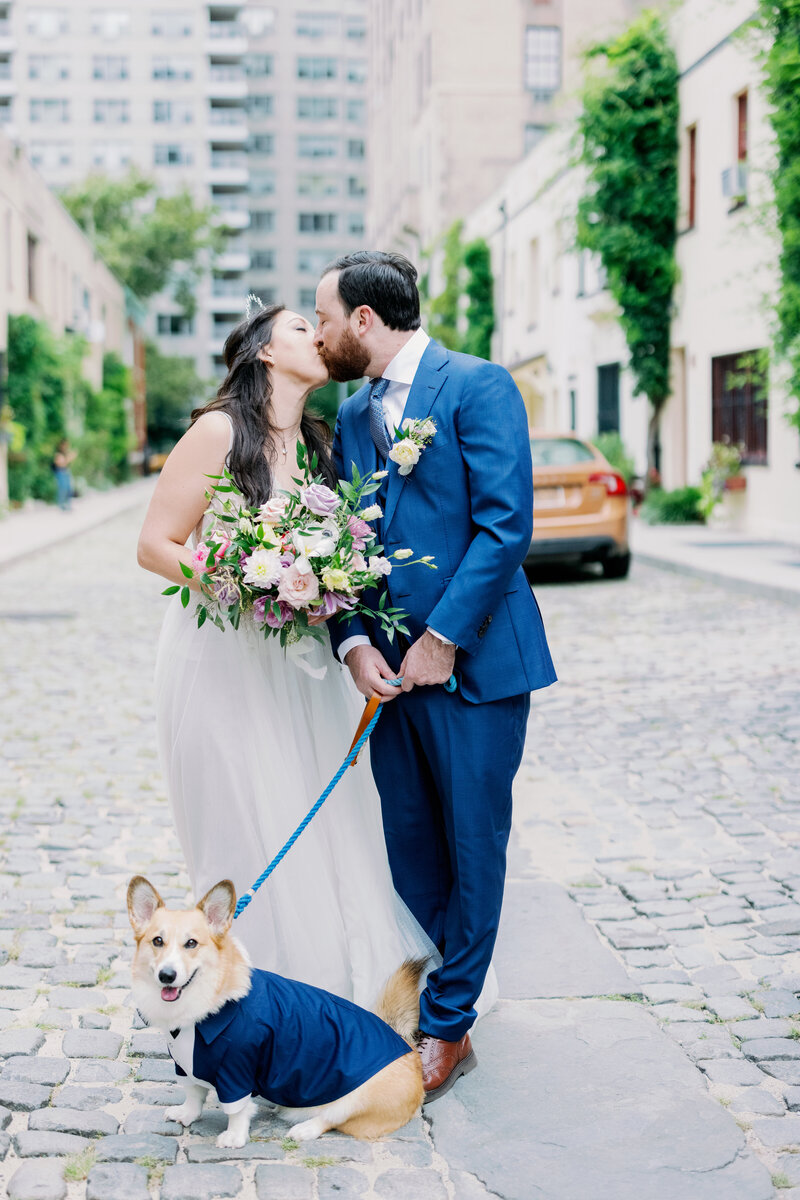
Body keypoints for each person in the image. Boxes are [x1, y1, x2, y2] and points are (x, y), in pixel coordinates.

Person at [136, 305, 434, 1009]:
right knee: (243, 815)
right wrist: (243, 576)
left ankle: (330, 995)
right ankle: (241, 999)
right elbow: (155, 544)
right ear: (266, 353)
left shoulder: (320, 444)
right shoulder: (218, 431)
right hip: (221, 660)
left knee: (322, 816)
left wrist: (311, 578)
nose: (319, 333)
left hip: (298, 663)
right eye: (302, 325)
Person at [314, 251, 557, 1101]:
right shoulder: (351, 413)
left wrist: (444, 639)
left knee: (471, 844)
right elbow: (339, 541)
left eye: (325, 318)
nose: (320, 334)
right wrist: (352, 642)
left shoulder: (479, 385)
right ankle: (452, 983)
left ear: (367, 321)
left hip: (475, 669)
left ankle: (449, 1021)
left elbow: (505, 527)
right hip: (390, 675)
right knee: (411, 851)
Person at [52, 438, 76, 511]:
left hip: (66, 471)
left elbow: (65, 462)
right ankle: (61, 505)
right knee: (62, 489)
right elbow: (60, 463)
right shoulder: (58, 453)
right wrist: (68, 458)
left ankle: (68, 505)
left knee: (69, 489)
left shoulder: (65, 453)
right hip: (60, 472)